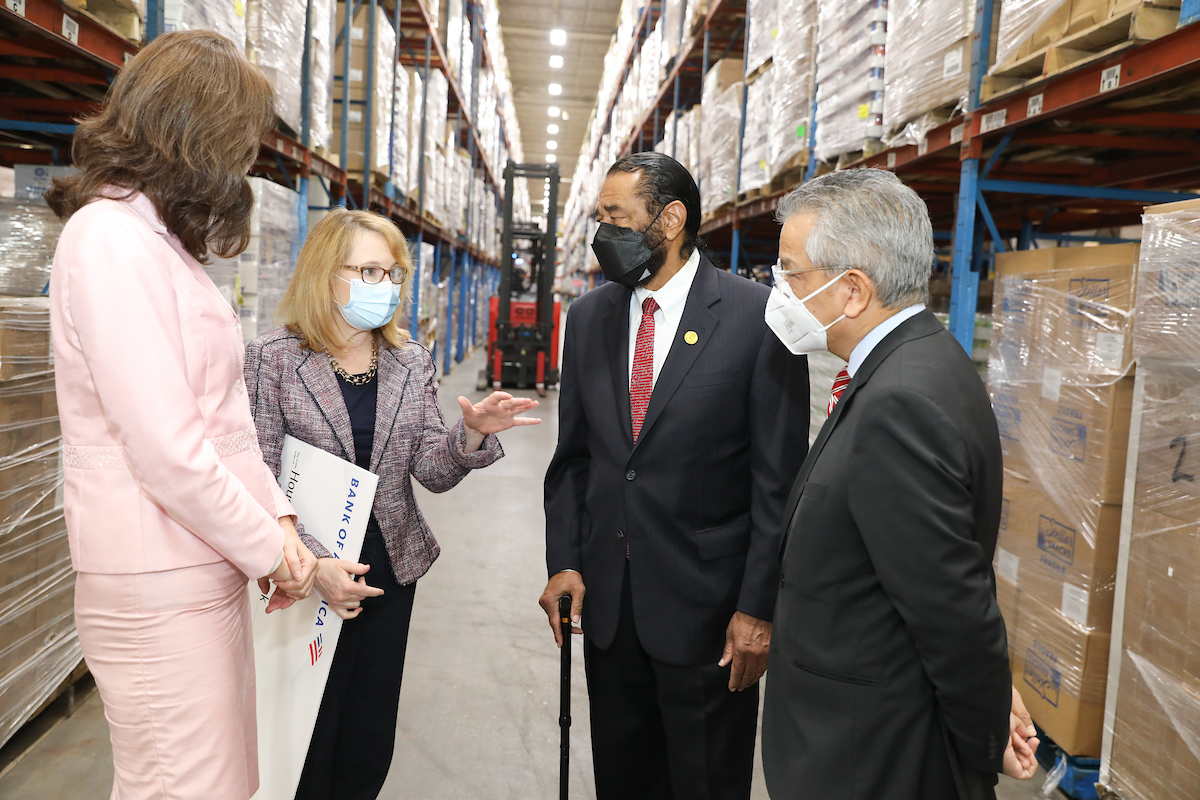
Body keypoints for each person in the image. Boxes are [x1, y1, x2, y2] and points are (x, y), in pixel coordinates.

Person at [45, 31, 317, 800]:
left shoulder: (163, 244)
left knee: (221, 782)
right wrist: (268, 548)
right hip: (153, 572)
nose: (244, 164)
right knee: (182, 785)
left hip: (199, 566)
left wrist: (280, 521)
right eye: (238, 142)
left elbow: (221, 419)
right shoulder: (108, 240)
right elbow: (166, 447)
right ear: (194, 130)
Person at [244, 208, 540, 800]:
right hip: (303, 573)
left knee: (368, 737)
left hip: (388, 574)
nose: (386, 286)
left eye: (393, 273)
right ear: (327, 274)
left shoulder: (411, 361)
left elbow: (430, 469)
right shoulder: (272, 359)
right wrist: (313, 563)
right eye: (370, 271)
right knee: (305, 739)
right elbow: (257, 476)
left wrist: (472, 435)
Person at [759, 168, 1037, 800]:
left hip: (869, 752)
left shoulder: (900, 401)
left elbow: (949, 606)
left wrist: (981, 738)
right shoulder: (919, 361)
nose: (779, 291)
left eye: (791, 273)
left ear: (852, 289)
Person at [539, 152, 810, 798]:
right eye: (599, 216)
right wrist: (564, 560)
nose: (603, 232)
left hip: (710, 618)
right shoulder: (588, 319)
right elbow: (573, 461)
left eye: (616, 217)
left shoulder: (757, 320)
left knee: (705, 781)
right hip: (609, 611)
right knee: (623, 778)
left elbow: (777, 483)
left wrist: (757, 610)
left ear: (671, 219)